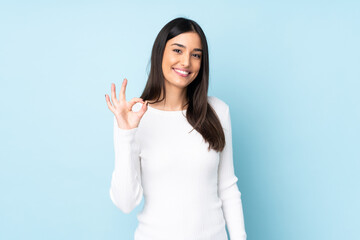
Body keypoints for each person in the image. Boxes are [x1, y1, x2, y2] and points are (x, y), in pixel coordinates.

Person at [105, 17, 247, 240]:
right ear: (160, 52)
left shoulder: (218, 111)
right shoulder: (133, 117)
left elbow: (227, 188)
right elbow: (125, 203)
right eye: (178, 50)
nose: (186, 62)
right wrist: (126, 133)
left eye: (196, 55)